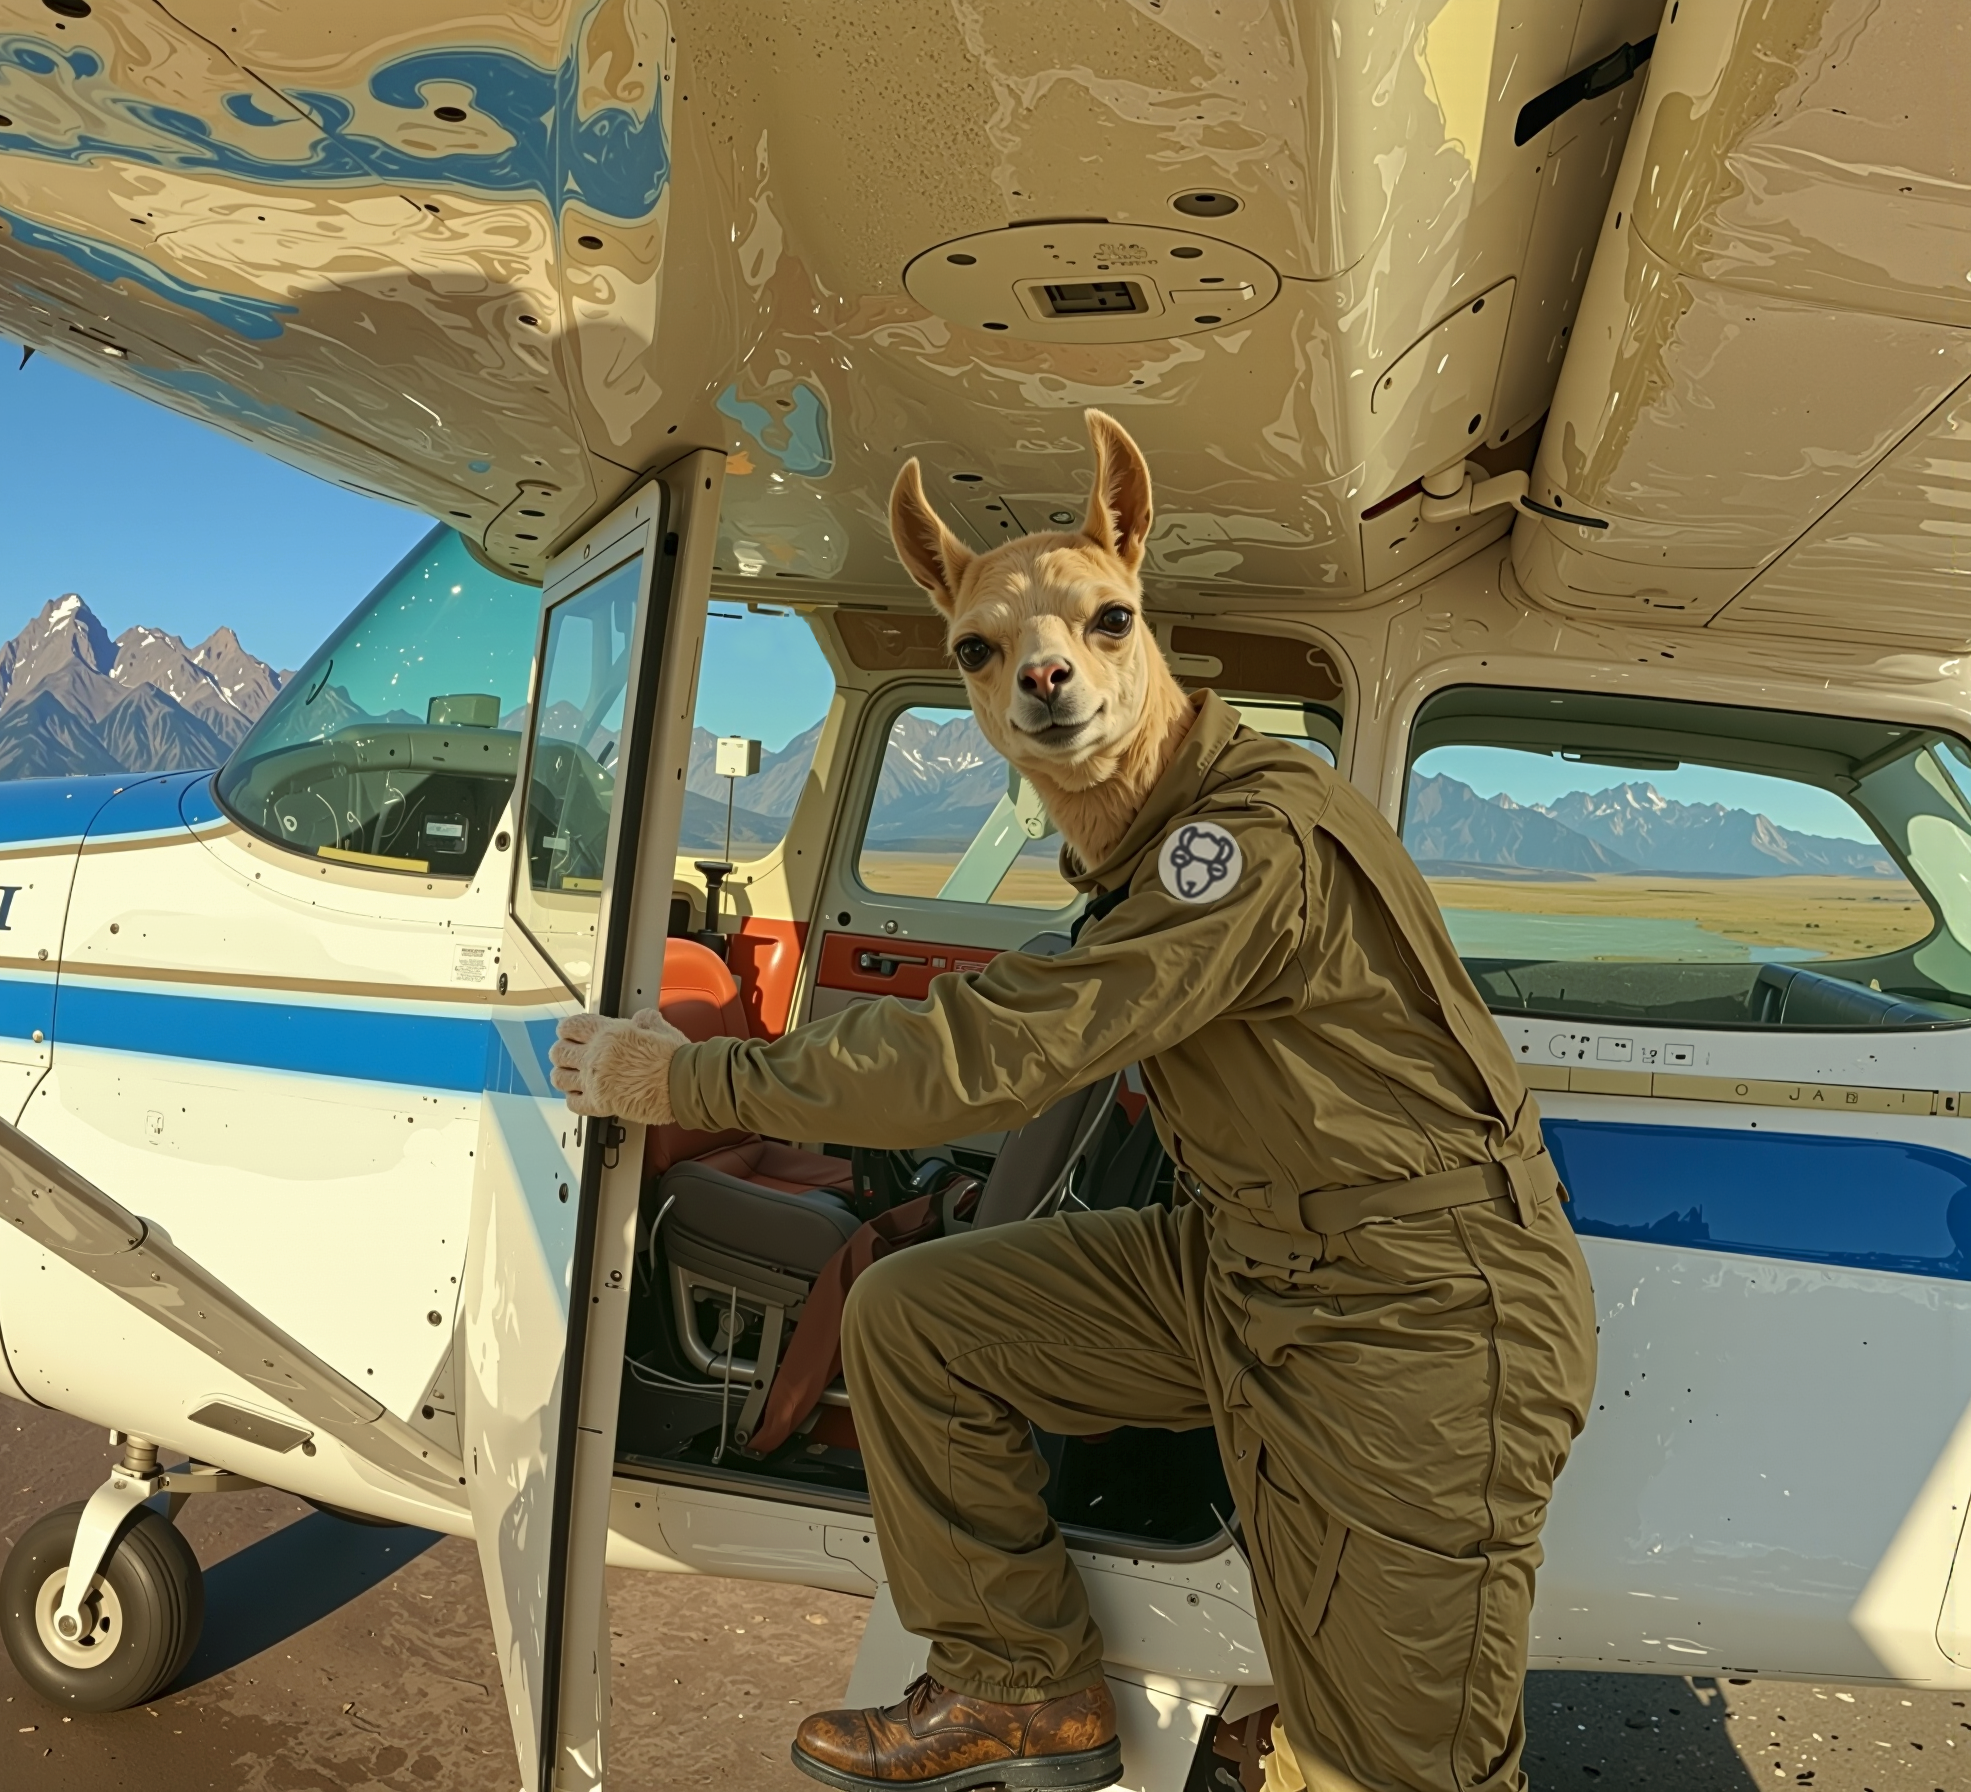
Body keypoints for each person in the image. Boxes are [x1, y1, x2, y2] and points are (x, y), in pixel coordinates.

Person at [551, 411, 1597, 1792]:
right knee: (918, 1318)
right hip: (1248, 1260)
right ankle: (1021, 1690)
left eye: (1101, 628)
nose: (1049, 671)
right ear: (973, 681)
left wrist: (683, 1073)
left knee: (1398, 1770)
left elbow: (982, 1055)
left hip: (1414, 1311)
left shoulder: (1243, 841)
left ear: (1143, 618)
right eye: (988, 651)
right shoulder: (1153, 855)